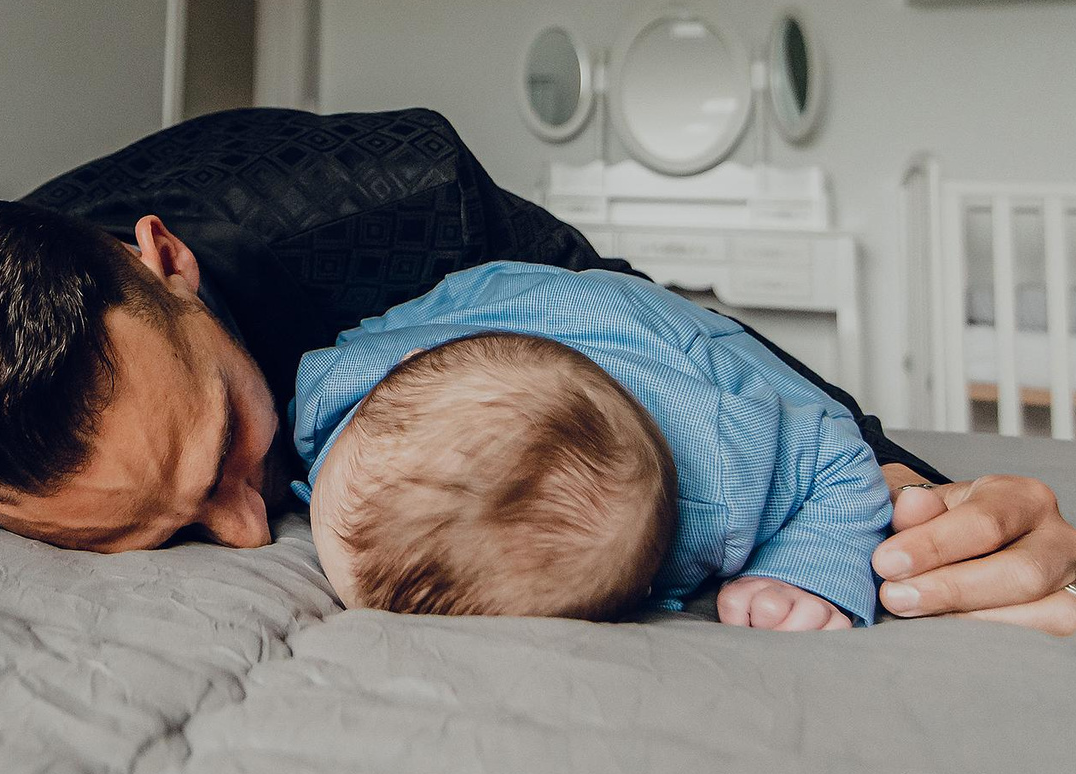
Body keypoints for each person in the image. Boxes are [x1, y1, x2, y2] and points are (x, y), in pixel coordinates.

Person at [0, 107, 1076, 634]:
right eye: (142, 536)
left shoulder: (412, 203)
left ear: (167, 261)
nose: (256, 529)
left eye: (220, 457)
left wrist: (912, 499)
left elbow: (663, 336)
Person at [293, 263, 893, 630]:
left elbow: (840, 461)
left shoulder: (729, 467)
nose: (313, 474)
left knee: (814, 409)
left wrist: (807, 575)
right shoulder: (345, 383)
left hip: (677, 335)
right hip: (500, 296)